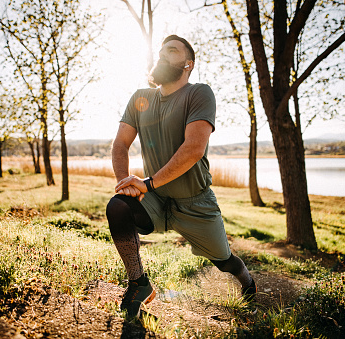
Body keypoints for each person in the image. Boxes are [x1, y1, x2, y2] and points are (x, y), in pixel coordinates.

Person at [106, 35, 256, 319]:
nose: (162, 56)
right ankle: (139, 284)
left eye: (171, 51)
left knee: (224, 261)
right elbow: (120, 144)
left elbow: (194, 148)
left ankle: (246, 279)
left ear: (188, 64)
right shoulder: (140, 98)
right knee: (118, 205)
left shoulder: (199, 93)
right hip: (156, 198)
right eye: (161, 51)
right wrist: (124, 182)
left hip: (195, 202)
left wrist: (147, 182)